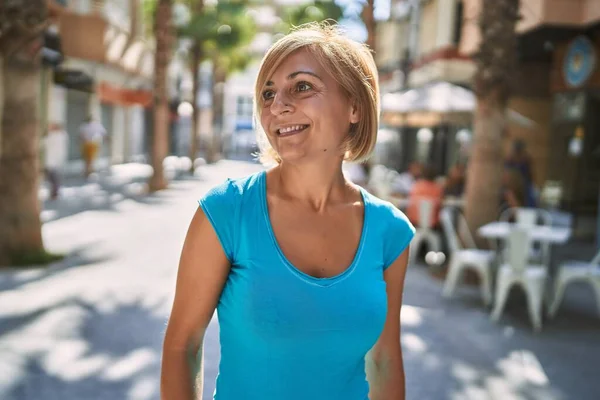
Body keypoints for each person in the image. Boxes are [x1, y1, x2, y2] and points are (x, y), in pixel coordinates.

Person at [161, 23, 415, 400]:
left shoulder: (389, 231)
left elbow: (385, 361)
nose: (277, 106)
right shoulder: (227, 213)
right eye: (268, 93)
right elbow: (183, 347)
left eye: (302, 86)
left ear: (355, 107)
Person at [505, 139, 536, 207]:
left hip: (524, 184)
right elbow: (506, 174)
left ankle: (528, 212)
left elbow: (530, 175)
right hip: (512, 185)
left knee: (531, 195)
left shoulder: (526, 160)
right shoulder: (510, 160)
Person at [43, 123, 69, 200]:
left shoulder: (52, 136)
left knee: (53, 178)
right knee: (56, 177)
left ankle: (54, 193)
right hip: (58, 159)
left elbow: (43, 143)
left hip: (52, 161)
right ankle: (55, 192)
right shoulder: (63, 135)